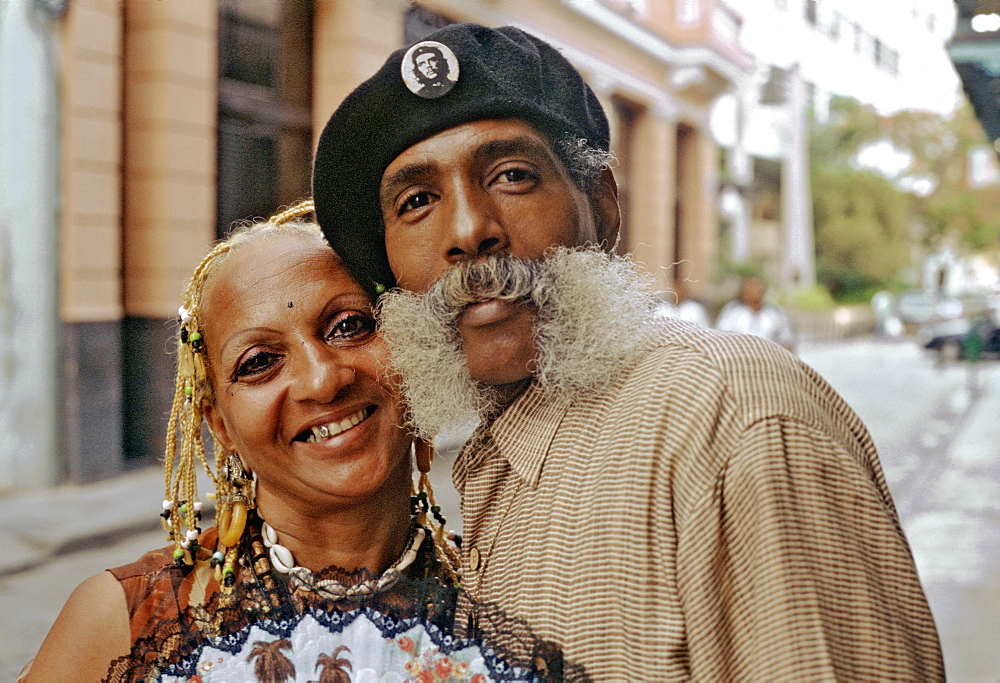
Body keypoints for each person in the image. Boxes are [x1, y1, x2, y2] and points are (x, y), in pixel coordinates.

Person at [312, 24, 944, 680]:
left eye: (512, 175)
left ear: (603, 209)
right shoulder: (493, 454)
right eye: (417, 201)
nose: (470, 230)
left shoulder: (732, 418)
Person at [22, 202, 562, 681]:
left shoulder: (514, 598)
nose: (323, 379)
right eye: (259, 363)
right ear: (221, 427)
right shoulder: (124, 622)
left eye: (349, 326)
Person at [715, 274, 797, 352]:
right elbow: (720, 338)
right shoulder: (732, 311)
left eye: (757, 286)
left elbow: (788, 342)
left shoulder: (775, 313)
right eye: (750, 286)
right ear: (743, 290)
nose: (754, 290)